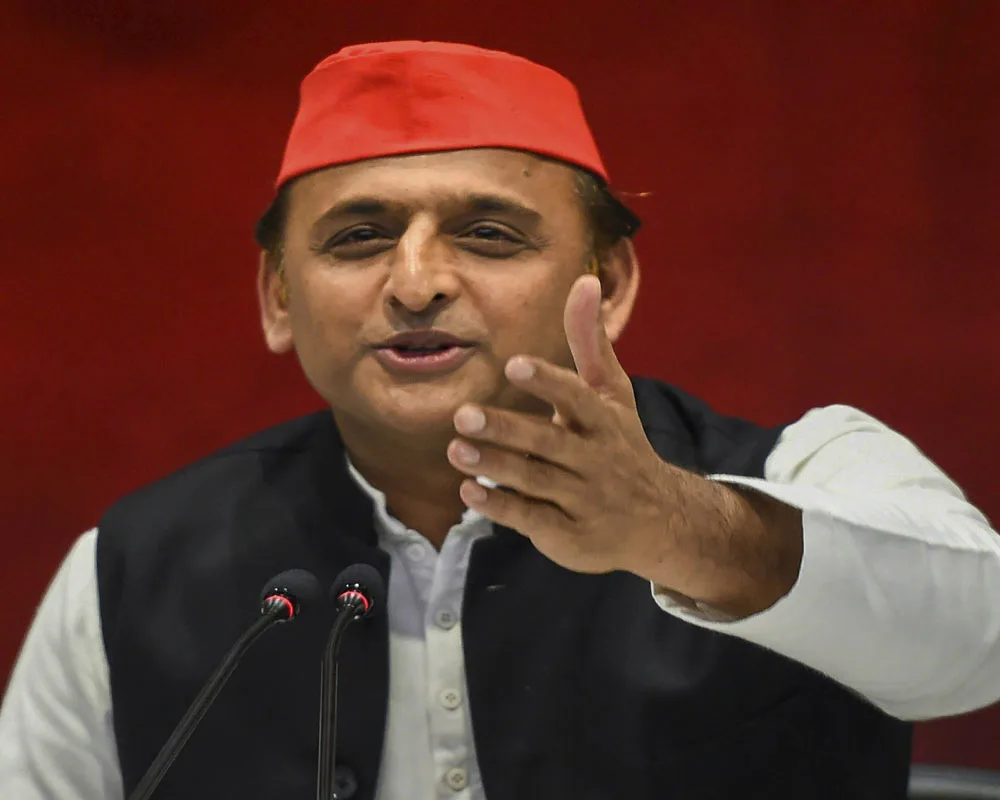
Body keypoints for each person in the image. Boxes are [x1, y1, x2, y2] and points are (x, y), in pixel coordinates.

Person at [1, 40, 999, 800]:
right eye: (359, 237)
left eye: (487, 233)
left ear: (609, 282)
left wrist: (681, 529)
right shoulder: (132, 568)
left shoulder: (807, 466)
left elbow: (979, 649)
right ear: (277, 297)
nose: (416, 282)